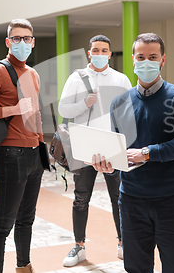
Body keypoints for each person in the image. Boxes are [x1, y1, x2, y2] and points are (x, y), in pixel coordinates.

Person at [91, 33, 174, 273]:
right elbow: (119, 149)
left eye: (153, 57)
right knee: (136, 268)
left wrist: (148, 152)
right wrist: (107, 163)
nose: (146, 62)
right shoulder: (119, 102)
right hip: (131, 200)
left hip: (171, 199)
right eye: (141, 57)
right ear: (133, 60)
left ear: (162, 61)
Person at [0, 19, 45, 273]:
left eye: (27, 38)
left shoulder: (33, 73)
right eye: (16, 38)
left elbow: (35, 114)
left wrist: (41, 147)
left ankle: (23, 268)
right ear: (8, 42)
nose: (22, 43)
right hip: (10, 155)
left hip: (33, 156)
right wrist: (13, 109)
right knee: (3, 224)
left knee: (26, 220)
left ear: (33, 42)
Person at [58, 34, 132, 266]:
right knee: (81, 199)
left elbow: (131, 112)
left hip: (111, 147)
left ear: (110, 54)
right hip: (84, 148)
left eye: (104, 51)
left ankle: (123, 243)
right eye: (95, 50)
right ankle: (79, 246)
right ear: (89, 52)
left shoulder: (121, 79)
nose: (99, 54)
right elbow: (63, 108)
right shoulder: (77, 78)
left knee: (119, 198)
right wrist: (84, 104)